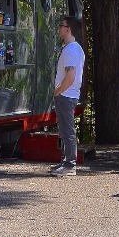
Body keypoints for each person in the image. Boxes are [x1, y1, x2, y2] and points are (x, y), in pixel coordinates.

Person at [50, 16, 85, 177]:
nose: (59, 28)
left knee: (67, 130)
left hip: (66, 95)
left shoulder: (70, 50)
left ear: (68, 29)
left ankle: (70, 165)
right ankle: (66, 161)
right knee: (65, 130)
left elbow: (70, 76)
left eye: (61, 25)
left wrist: (58, 90)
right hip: (69, 94)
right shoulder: (76, 48)